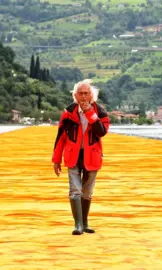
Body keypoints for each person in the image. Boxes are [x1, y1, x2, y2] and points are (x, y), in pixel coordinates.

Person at [52, 79, 110, 235]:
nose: (83, 97)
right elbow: (61, 137)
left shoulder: (101, 112)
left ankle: (84, 223)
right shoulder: (68, 112)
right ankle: (77, 225)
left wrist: (89, 113)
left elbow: (101, 132)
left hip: (92, 156)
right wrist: (56, 159)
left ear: (91, 95)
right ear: (75, 95)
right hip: (73, 155)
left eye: (86, 93)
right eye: (81, 94)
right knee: (75, 190)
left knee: (87, 191)